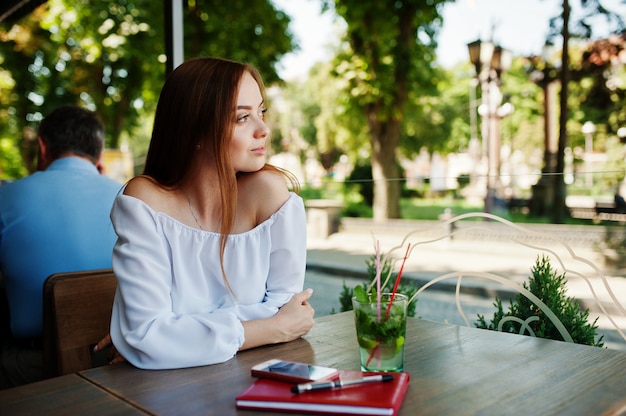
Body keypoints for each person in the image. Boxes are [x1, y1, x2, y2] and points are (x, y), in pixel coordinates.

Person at [103, 57, 314, 370]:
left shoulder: (268, 193)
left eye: (261, 112)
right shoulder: (145, 202)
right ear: (196, 129)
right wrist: (268, 328)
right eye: (242, 118)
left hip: (258, 382)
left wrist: (180, 334)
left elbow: (290, 313)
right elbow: (147, 336)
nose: (264, 129)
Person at [0, 105, 122, 389]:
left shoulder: (7, 196)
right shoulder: (130, 195)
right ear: (99, 155)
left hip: (35, 368)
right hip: (120, 358)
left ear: (42, 147)